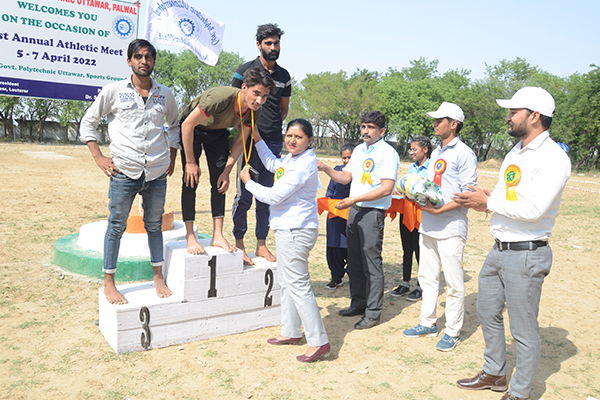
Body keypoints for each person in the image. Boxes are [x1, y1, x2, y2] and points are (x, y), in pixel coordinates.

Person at [454, 87, 571, 400]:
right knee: (487, 311)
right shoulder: (515, 152)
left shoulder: (553, 158)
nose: (507, 117)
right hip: (500, 249)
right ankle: (494, 373)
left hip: (526, 253)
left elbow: (535, 210)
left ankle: (520, 392)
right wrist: (483, 201)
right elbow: (509, 197)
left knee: (522, 327)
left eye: (513, 112)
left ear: (534, 116)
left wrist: (489, 201)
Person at [79, 39, 179, 304]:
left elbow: (175, 125)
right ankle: (110, 282)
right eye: (138, 56)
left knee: (154, 226)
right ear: (129, 61)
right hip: (124, 171)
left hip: (156, 172)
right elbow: (89, 121)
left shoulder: (165, 94)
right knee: (116, 226)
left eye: (148, 57)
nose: (144, 61)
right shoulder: (113, 91)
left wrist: (172, 154)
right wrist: (98, 156)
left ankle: (158, 276)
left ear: (154, 62)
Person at [240, 118, 330, 363]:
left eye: (298, 137)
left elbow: (274, 196)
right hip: (287, 228)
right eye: (289, 135)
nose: (292, 140)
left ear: (309, 141)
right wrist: (257, 138)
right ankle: (290, 331)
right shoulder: (291, 159)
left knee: (298, 285)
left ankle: (318, 341)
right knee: (287, 282)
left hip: (296, 230)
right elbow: (273, 164)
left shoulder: (304, 165)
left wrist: (248, 183)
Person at [403, 102, 477, 352]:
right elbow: (430, 187)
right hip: (429, 225)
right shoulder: (435, 153)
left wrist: (438, 210)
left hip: (451, 227)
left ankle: (453, 331)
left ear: (454, 124)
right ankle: (427, 322)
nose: (434, 124)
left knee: (454, 284)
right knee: (427, 277)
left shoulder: (464, 153)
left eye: (440, 120)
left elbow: (467, 193)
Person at [318, 111, 400, 330]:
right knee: (354, 260)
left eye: (371, 127)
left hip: (372, 212)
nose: (365, 131)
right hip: (354, 210)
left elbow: (386, 188)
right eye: (363, 126)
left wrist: (355, 198)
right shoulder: (358, 150)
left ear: (382, 131)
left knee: (371, 262)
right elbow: (346, 176)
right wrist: (326, 168)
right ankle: (358, 303)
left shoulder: (388, 153)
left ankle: (373, 313)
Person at [179, 67, 274, 255]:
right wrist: (190, 162)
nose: (259, 101)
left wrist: (227, 171)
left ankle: (218, 235)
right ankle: (190, 235)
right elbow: (187, 124)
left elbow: (240, 142)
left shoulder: (255, 112)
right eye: (256, 93)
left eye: (264, 97)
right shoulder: (220, 98)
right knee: (190, 180)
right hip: (193, 129)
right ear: (244, 88)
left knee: (220, 183)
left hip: (218, 132)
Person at [231, 23, 292, 265]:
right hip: (247, 139)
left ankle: (261, 245)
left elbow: (283, 110)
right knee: (244, 194)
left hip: (273, 141)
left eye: (276, 43)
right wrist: (249, 130)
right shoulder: (245, 70)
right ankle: (239, 244)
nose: (273, 47)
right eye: (268, 43)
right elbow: (233, 103)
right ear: (259, 45)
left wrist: (270, 128)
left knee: (267, 196)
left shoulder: (284, 76)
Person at [390, 136, 432, 301]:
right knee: (406, 249)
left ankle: (421, 285)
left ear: (425, 150)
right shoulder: (412, 169)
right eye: (411, 149)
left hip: (421, 215)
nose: (411, 152)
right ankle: (405, 282)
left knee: (420, 250)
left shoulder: (432, 168)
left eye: (414, 149)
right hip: (406, 212)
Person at [324, 143, 354, 289]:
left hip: (351, 213)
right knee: (334, 245)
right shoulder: (336, 171)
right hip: (335, 213)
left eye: (350, 157)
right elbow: (330, 191)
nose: (347, 161)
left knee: (350, 246)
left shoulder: (360, 172)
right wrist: (329, 202)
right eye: (344, 158)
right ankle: (336, 276)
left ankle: (353, 274)